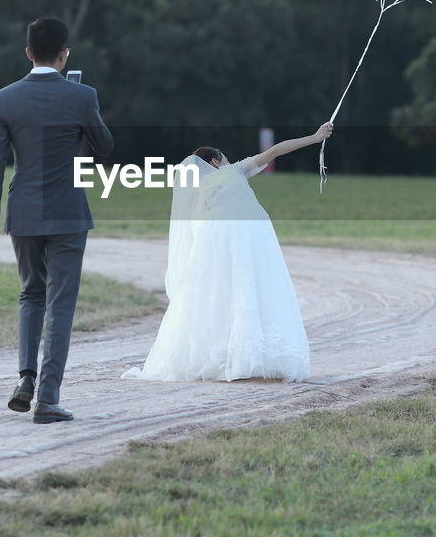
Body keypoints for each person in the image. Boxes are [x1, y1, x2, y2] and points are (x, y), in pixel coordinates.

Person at [125, 123, 333, 383]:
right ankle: (248, 355)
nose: (229, 160)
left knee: (219, 293)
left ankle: (224, 355)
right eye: (224, 156)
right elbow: (275, 151)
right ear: (215, 162)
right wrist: (314, 138)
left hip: (217, 239)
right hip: (249, 234)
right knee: (250, 287)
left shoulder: (199, 188)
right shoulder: (235, 170)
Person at [0, 17, 113, 424]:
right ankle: (48, 398)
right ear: (64, 54)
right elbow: (105, 148)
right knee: (61, 302)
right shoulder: (82, 95)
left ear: (27, 54)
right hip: (68, 213)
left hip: (22, 213)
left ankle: (25, 378)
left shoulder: (4, 99)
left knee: (31, 294)